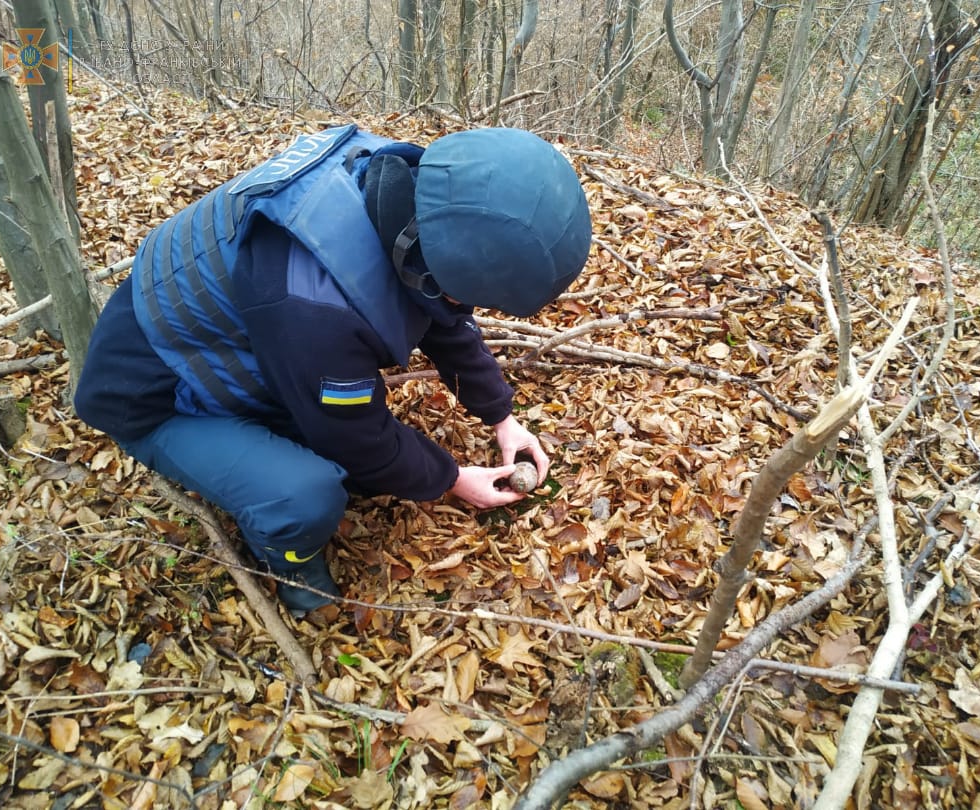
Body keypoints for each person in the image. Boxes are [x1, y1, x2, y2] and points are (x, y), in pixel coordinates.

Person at [73, 124, 593, 613]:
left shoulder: (413, 191)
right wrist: (452, 478)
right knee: (310, 493)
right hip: (156, 394)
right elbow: (359, 440)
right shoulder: (314, 306)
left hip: (243, 338)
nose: (478, 307)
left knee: (347, 442)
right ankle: (292, 567)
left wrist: (502, 417)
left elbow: (444, 315)